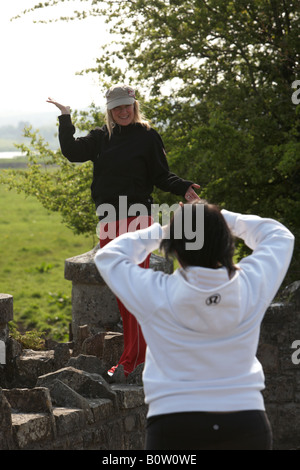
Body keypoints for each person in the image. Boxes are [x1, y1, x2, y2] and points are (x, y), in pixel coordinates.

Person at [94, 199, 294, 450]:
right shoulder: (250, 285)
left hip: (175, 425)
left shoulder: (156, 293)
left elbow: (109, 255)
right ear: (227, 243)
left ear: (175, 249)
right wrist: (222, 218)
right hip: (245, 422)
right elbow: (279, 235)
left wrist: (166, 231)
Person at [47, 85, 200, 378]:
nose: (123, 111)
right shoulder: (100, 137)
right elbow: (71, 152)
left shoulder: (147, 136)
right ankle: (136, 358)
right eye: (117, 107)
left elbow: (160, 175)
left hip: (138, 220)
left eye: (127, 105)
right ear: (110, 110)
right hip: (109, 220)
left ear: (134, 105)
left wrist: (184, 187)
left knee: (134, 291)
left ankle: (135, 362)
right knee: (122, 290)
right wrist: (65, 117)